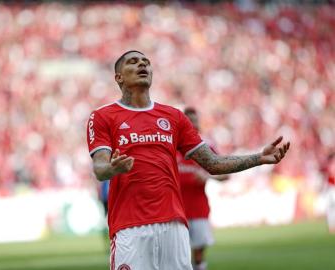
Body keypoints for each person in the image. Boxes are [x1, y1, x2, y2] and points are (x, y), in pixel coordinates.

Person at [86, 50, 290, 270]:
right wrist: (112, 168)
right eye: (133, 62)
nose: (142, 65)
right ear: (119, 77)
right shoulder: (103, 116)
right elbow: (99, 168)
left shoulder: (173, 117)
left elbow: (213, 163)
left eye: (146, 62)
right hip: (130, 227)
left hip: (174, 225)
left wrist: (258, 158)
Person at [177, 107, 229, 270]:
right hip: (176, 210)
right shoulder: (173, 147)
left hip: (198, 208)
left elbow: (225, 173)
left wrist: (208, 176)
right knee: (179, 254)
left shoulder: (206, 146)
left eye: (195, 120)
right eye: (189, 120)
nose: (193, 124)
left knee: (198, 253)